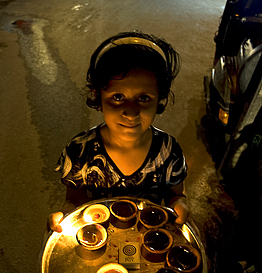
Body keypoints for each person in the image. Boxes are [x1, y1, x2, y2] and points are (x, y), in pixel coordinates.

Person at [48, 30, 197, 234]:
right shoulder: (80, 151)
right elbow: (74, 200)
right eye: (118, 97)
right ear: (98, 95)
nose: (131, 112)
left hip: (149, 236)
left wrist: (180, 205)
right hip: (97, 236)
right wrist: (64, 217)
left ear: (159, 98)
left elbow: (176, 195)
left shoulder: (168, 151)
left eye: (143, 98)